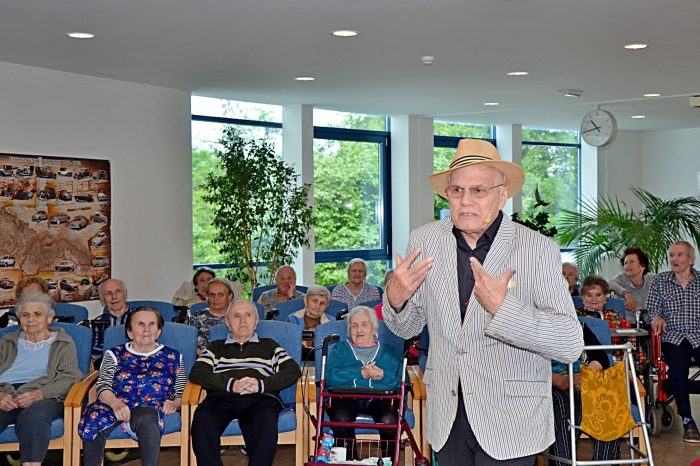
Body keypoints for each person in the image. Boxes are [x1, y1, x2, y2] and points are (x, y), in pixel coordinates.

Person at [382, 138, 584, 465]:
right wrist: (396, 301)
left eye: (479, 190)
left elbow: (569, 342)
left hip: (512, 419)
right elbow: (408, 327)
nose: (466, 201)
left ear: (502, 195)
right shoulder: (425, 240)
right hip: (447, 416)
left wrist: (505, 311)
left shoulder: (538, 249)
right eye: (457, 190)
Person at [190, 300, 301, 466]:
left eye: (248, 315)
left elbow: (292, 370)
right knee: (202, 419)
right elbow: (197, 372)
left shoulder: (269, 346)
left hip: (261, 397)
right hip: (221, 397)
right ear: (228, 323)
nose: (242, 321)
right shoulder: (216, 347)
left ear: (256, 321)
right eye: (236, 316)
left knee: (266, 419)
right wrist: (231, 384)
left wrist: (261, 385)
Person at [78, 307, 186, 466]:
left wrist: (175, 403)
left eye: (152, 324)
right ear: (129, 332)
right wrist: (115, 403)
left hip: (151, 406)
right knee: (93, 417)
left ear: (158, 331)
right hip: (115, 403)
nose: (147, 329)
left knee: (147, 417)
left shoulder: (174, 357)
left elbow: (181, 390)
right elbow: (103, 385)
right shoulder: (114, 354)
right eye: (140, 324)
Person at [0, 292, 83, 466]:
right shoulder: (6, 341)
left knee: (34, 416)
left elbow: (70, 377)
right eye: (25, 314)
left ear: (49, 318)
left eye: (37, 314)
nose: (31, 319)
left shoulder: (63, 342)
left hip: (46, 395)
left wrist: (39, 394)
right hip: (6, 393)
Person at [325, 306, 401, 460]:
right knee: (341, 418)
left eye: (364, 324)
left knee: (389, 420)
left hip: (381, 398)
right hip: (345, 398)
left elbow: (401, 381)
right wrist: (361, 373)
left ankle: (389, 462)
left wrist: (382, 376)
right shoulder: (340, 349)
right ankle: (349, 462)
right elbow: (330, 376)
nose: (359, 329)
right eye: (354, 325)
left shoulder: (389, 352)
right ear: (349, 330)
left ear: (374, 328)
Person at [648, 240, 700, 443]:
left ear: (691, 259)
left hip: (698, 335)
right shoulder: (660, 281)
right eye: (671, 255)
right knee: (678, 368)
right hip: (673, 337)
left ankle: (675, 387)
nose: (674, 259)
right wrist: (656, 317)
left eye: (679, 255)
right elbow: (652, 310)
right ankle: (688, 420)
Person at [549, 323, 616, 465]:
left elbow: (601, 357)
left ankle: (604, 462)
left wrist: (585, 374)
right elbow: (529, 365)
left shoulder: (579, 326)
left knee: (607, 404)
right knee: (564, 408)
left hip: (584, 380)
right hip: (551, 383)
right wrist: (556, 379)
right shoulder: (535, 328)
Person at [187, 277, 235, 355]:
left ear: (229, 296)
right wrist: (205, 356)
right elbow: (188, 343)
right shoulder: (196, 318)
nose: (215, 298)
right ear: (207, 297)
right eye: (212, 295)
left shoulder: (238, 318)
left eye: (220, 295)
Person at [607, 247, 656, 323]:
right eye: (625, 263)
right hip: (629, 326)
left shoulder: (652, 279)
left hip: (651, 325)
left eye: (631, 262)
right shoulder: (622, 278)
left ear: (642, 266)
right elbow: (608, 284)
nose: (627, 266)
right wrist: (626, 293)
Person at [91, 279, 132, 363]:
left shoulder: (140, 318)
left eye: (118, 291)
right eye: (108, 293)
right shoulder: (98, 322)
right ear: (102, 299)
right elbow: (96, 354)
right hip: (109, 366)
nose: (114, 297)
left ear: (125, 294)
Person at [287, 284, 332, 354]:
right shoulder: (291, 319)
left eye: (322, 303)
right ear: (305, 301)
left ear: (327, 305)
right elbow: (287, 344)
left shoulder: (332, 323)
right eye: (314, 301)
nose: (318, 306)